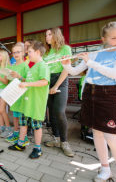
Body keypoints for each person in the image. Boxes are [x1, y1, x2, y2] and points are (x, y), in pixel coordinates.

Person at [62, 21, 116, 182]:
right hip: (90, 94)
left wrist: (90, 62)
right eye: (114, 38)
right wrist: (66, 65)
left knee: (112, 137)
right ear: (104, 38)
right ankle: (105, 169)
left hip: (109, 96)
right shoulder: (94, 54)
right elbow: (74, 71)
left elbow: (114, 73)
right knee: (96, 133)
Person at [9, 41, 50, 159]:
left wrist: (27, 83)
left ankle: (38, 148)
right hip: (27, 101)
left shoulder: (43, 65)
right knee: (23, 123)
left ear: (37, 52)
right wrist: (20, 77)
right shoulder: (33, 66)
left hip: (36, 102)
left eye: (30, 52)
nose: (28, 54)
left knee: (36, 126)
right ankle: (20, 144)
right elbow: (28, 79)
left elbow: (44, 81)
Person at [43, 27, 74, 157]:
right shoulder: (46, 52)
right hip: (48, 81)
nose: (47, 37)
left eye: (49, 34)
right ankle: (56, 139)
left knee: (60, 111)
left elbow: (66, 69)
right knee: (52, 112)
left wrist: (56, 85)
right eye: (46, 35)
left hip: (61, 80)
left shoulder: (65, 49)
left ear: (56, 35)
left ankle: (64, 142)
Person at [6, 42, 29, 145]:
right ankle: (16, 133)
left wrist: (19, 77)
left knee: (22, 117)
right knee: (15, 115)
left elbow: (28, 80)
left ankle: (24, 137)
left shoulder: (26, 66)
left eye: (18, 52)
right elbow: (11, 80)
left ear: (23, 53)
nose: (15, 54)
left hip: (22, 95)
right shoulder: (13, 66)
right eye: (14, 52)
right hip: (14, 94)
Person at [0, 49, 12, 138]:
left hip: (4, 89)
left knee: (2, 109)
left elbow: (5, 81)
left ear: (4, 56)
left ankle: (8, 128)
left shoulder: (7, 67)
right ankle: (2, 127)